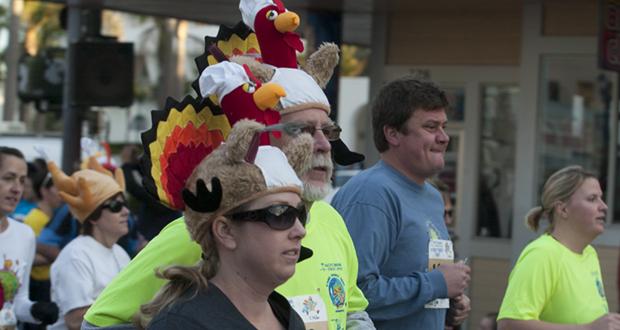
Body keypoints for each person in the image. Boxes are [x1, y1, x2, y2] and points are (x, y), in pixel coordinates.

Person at [84, 45, 371, 330]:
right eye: (302, 130)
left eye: (328, 131)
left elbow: (352, 311)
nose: (322, 145)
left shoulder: (332, 221)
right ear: (260, 137)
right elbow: (98, 323)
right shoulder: (198, 232)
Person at [135, 120, 309, 329]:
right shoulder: (181, 325)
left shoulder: (289, 318)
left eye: (300, 214)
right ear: (225, 231)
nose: (300, 231)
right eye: (280, 214)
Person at [331, 77, 471, 329]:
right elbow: (353, 294)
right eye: (431, 127)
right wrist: (436, 285)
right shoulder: (371, 194)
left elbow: (420, 282)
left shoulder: (432, 196)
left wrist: (444, 304)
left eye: (443, 126)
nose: (444, 137)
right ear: (392, 134)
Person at [497, 165, 620, 329]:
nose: (603, 206)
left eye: (601, 198)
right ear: (563, 209)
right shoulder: (542, 254)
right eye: (592, 199)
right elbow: (508, 324)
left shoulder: (589, 253)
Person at [45, 157, 131, 330]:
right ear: (93, 216)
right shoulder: (76, 255)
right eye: (115, 206)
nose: (126, 212)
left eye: (125, 204)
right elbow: (76, 320)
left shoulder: (120, 252)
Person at [0, 146, 59, 329]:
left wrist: (35, 310)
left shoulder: (24, 235)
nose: (17, 189)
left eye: (22, 181)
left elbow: (17, 303)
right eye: (9, 178)